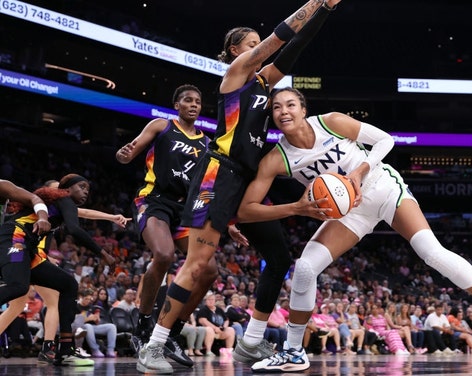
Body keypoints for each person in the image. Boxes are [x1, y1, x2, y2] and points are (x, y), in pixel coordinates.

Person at [237, 87, 472, 372]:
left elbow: (385, 141)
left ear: (303, 109)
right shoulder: (277, 158)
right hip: (349, 212)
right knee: (304, 269)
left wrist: (357, 173)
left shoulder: (331, 122)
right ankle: (294, 351)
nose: (283, 111)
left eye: (290, 105)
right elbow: (246, 210)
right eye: (276, 107)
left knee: (431, 252)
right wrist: (296, 208)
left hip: (381, 187)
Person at [136, 1, 342, 373]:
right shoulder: (235, 75)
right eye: (252, 43)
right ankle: (153, 346)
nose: (259, 47)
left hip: (246, 181)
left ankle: (250, 342)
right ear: (236, 51)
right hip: (219, 174)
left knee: (279, 257)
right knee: (198, 264)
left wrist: (325, 11)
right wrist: (313, 3)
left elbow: (294, 48)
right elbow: (282, 38)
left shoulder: (264, 83)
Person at [116, 84, 220, 368]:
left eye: (198, 101)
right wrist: (125, 155)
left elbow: (208, 186)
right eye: (188, 100)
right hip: (155, 201)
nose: (194, 104)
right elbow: (132, 149)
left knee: (209, 269)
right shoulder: (162, 125)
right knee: (164, 255)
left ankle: (172, 330)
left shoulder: (207, 144)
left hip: (187, 209)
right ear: (177, 105)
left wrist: (227, 220)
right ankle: (143, 323)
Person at [0, 174, 114, 366]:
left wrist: (111, 217)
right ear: (67, 189)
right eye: (82, 186)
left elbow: (82, 215)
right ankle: (51, 348)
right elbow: (75, 230)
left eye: (88, 189)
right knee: (18, 287)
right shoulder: (64, 199)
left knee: (68, 285)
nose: (86, 191)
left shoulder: (62, 204)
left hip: (30, 251)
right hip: (15, 240)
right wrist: (103, 253)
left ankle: (66, 349)